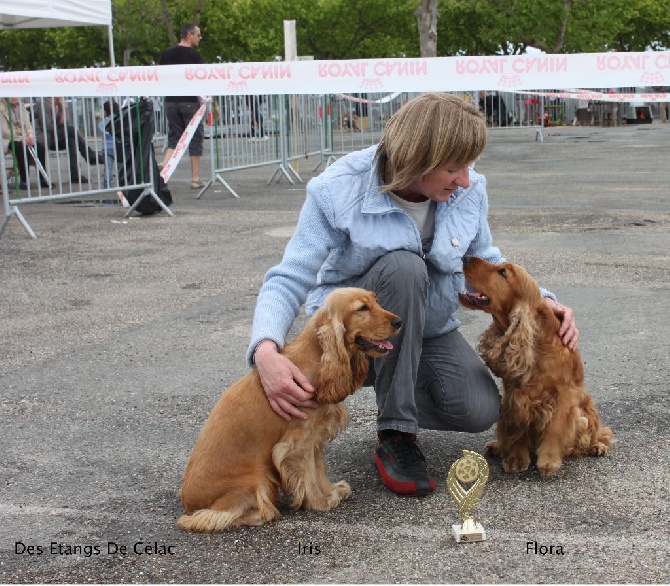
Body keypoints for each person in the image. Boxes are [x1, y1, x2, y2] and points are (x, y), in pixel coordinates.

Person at [247, 93, 580, 497]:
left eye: (469, 165)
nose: (465, 180)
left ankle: (393, 391)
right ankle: (396, 434)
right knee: (406, 267)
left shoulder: (470, 191)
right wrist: (266, 352)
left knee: (480, 409)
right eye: (453, 168)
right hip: (354, 341)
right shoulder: (337, 190)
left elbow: (486, 259)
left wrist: (546, 302)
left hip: (428, 329)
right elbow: (290, 276)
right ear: (415, 158)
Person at [159, 22, 206, 189]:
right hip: (189, 101)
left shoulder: (167, 54)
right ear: (189, 35)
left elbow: (161, 75)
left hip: (171, 101)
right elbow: (202, 78)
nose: (200, 38)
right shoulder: (194, 56)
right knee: (195, 136)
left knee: (174, 136)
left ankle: (164, 166)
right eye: (198, 35)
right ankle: (195, 177)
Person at [32, 96, 104, 184]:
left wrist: (62, 107)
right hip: (43, 137)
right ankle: (90, 156)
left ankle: (75, 175)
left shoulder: (54, 105)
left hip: (51, 136)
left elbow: (62, 122)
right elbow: (47, 126)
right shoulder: (44, 104)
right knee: (71, 129)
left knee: (71, 139)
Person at [1, 97, 52, 190]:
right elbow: (5, 131)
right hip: (7, 139)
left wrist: (30, 136)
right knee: (21, 147)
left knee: (40, 146)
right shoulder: (1, 109)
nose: (14, 98)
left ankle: (42, 179)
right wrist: (22, 138)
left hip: (24, 137)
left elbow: (28, 125)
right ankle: (24, 180)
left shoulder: (22, 108)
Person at [99, 99, 120, 188]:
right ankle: (122, 182)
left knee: (108, 167)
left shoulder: (102, 123)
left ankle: (107, 183)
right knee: (120, 165)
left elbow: (103, 132)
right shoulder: (119, 120)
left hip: (106, 148)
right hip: (117, 146)